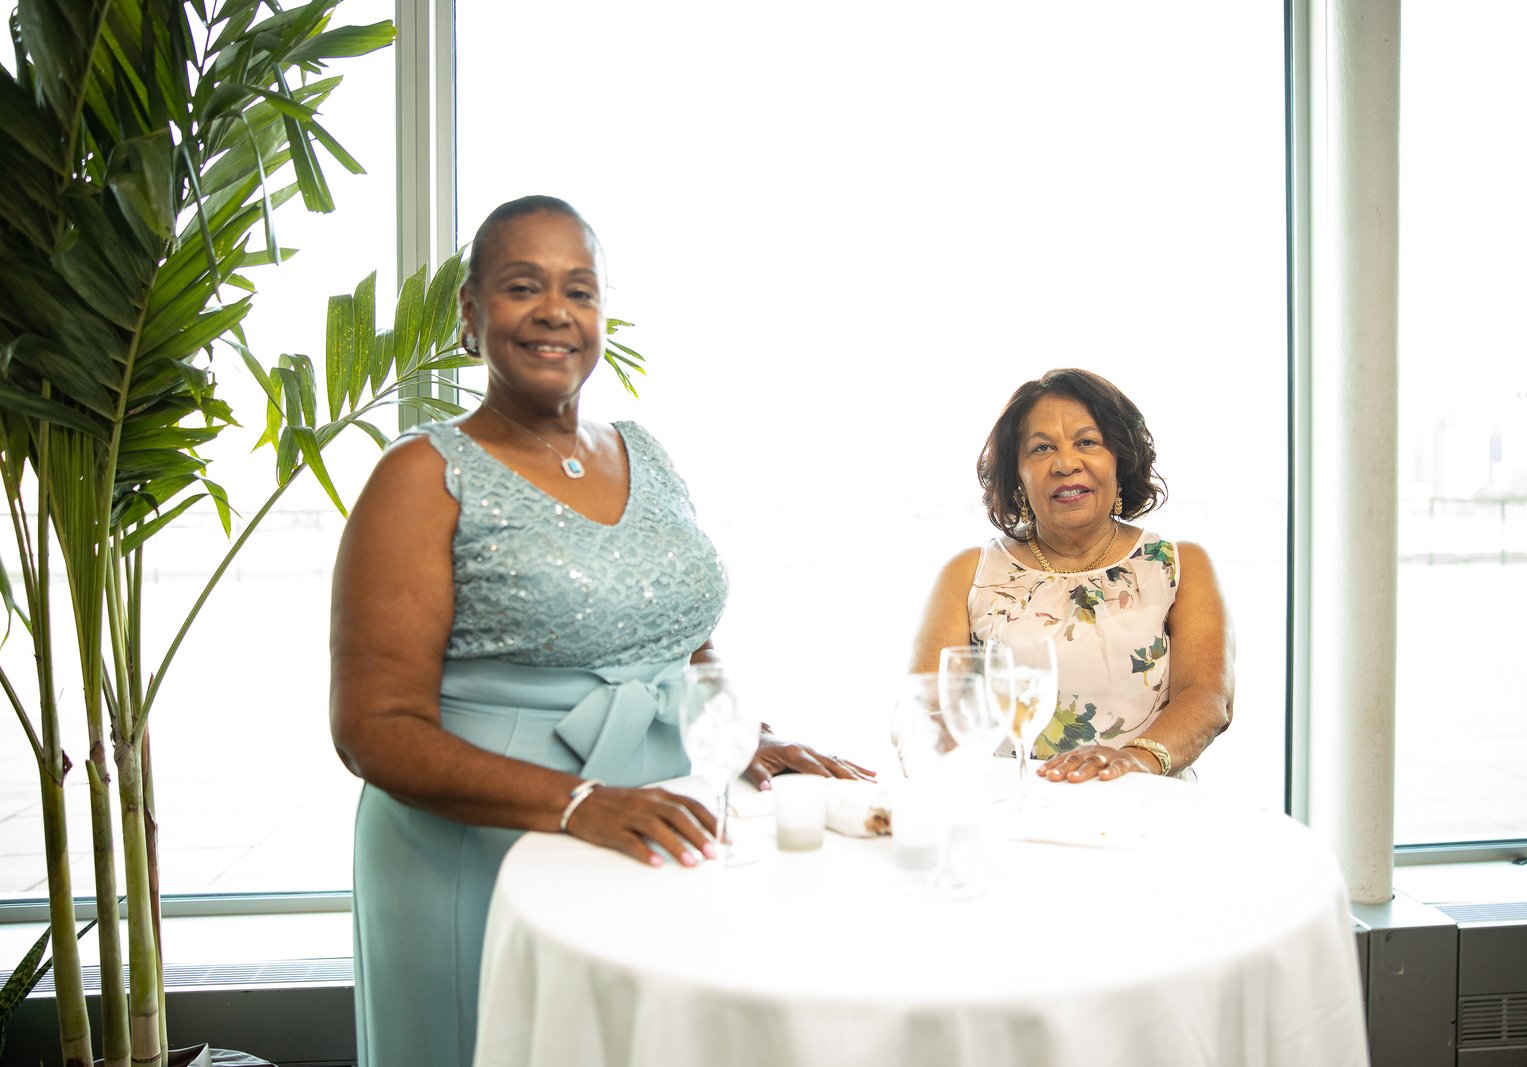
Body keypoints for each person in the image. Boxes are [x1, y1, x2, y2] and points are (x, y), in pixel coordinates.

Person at [329, 195, 869, 1067]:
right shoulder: (419, 475)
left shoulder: (645, 450)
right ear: (470, 311)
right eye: (523, 287)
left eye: (578, 290)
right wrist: (581, 801)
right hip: (479, 851)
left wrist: (746, 738)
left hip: (652, 826)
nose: (555, 311)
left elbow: (682, 641)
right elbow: (373, 729)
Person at [911, 368, 1234, 783]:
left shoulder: (1180, 564)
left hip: (1143, 800)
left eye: (1087, 442)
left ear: (1120, 458)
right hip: (1010, 803)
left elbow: (1208, 696)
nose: (1065, 464)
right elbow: (926, 706)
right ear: (1017, 474)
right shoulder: (968, 572)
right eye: (1042, 448)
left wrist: (1132, 762)